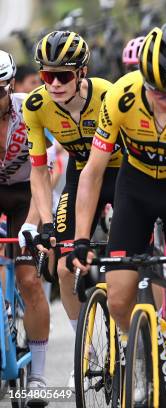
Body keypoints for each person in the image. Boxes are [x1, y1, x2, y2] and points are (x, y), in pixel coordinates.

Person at [70, 23, 166, 408]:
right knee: (119, 299)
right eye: (157, 90)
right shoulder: (120, 97)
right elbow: (91, 173)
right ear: (143, 79)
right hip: (134, 189)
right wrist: (81, 237)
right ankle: (139, 352)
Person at [23, 30, 121, 389]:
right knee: (64, 265)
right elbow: (38, 169)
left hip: (123, 170)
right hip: (82, 172)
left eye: (63, 75)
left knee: (127, 258)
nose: (55, 83)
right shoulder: (37, 106)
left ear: (82, 72)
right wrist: (46, 223)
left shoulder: (109, 95)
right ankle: (88, 348)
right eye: (48, 75)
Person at [0, 50, 50, 404]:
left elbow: (45, 171)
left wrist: (33, 222)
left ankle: (38, 376)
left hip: (25, 190)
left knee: (29, 279)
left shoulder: (29, 107)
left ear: (12, 86)